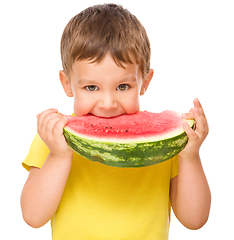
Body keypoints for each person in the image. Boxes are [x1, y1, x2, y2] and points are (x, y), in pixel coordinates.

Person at [21, 4, 211, 240]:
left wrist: (190, 156)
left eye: (123, 86)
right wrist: (58, 156)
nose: (108, 103)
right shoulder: (52, 137)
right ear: (67, 83)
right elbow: (32, 216)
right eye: (91, 87)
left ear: (145, 81)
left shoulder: (167, 144)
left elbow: (195, 220)